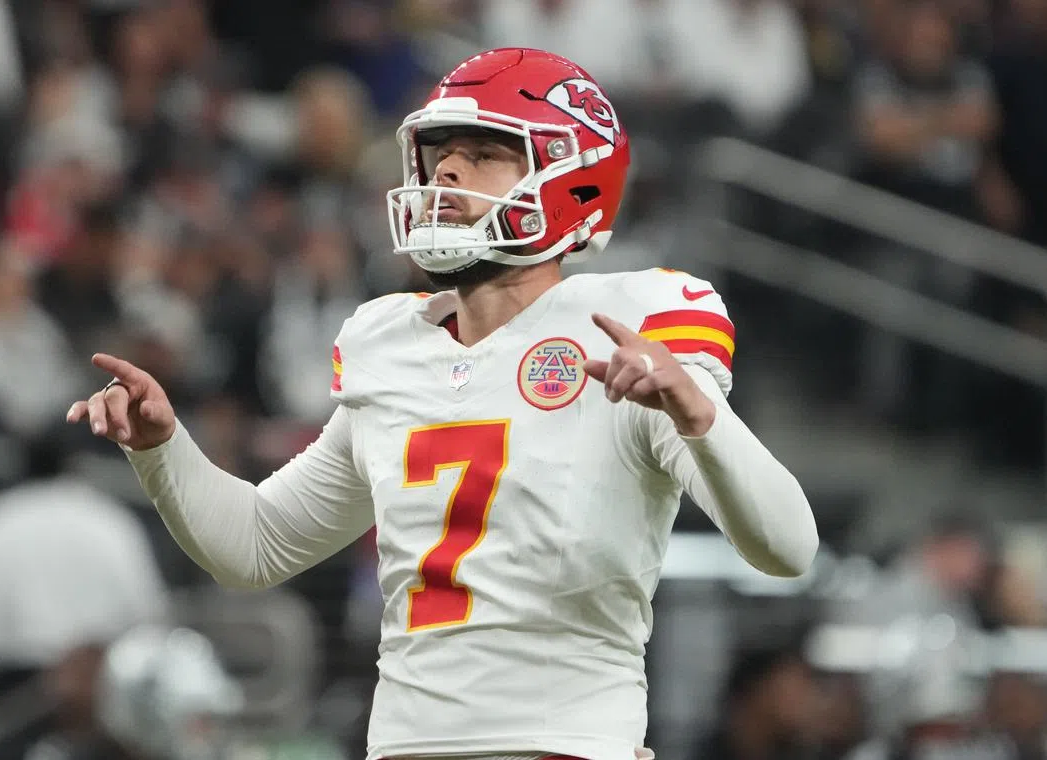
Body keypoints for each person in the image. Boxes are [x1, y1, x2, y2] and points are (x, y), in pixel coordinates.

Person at [67, 48, 818, 760]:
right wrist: (162, 448)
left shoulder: (630, 328)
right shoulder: (391, 344)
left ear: (571, 179)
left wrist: (698, 415)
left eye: (485, 152)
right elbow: (256, 547)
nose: (448, 171)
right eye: (442, 153)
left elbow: (787, 548)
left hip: (561, 745)